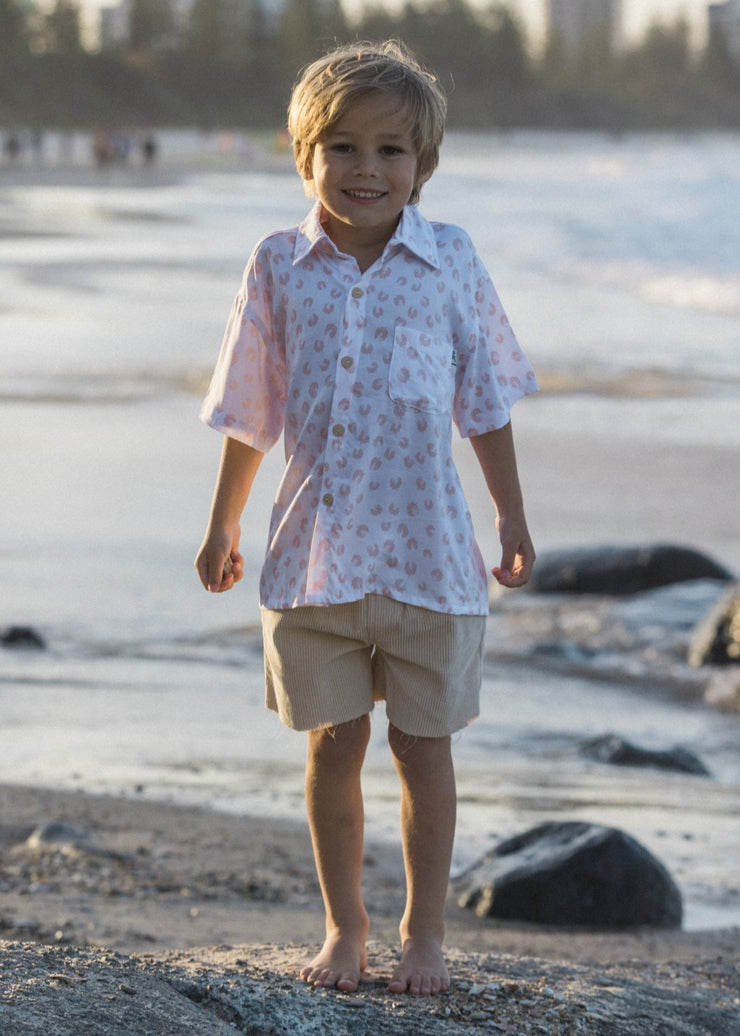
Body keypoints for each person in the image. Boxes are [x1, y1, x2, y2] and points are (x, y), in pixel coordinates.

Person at [195, 39, 537, 997]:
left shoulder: (451, 259)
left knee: (424, 751)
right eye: (342, 147)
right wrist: (223, 524)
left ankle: (423, 936)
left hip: (431, 558)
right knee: (332, 747)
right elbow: (248, 409)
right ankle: (344, 928)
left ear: (422, 164)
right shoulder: (277, 264)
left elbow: (488, 399)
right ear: (303, 156)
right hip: (316, 559)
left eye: (391, 151)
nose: (367, 169)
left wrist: (511, 515)